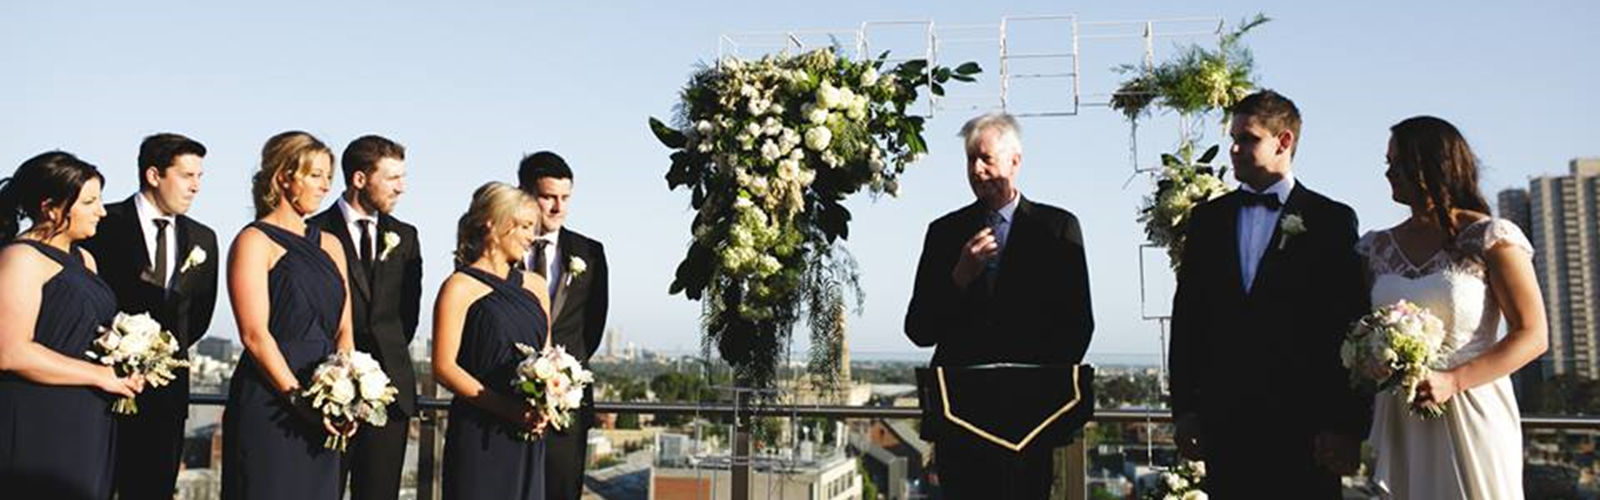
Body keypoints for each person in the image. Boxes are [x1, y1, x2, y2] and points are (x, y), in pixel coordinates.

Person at [1168, 90, 1370, 497]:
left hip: (1307, 431)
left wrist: (1346, 426)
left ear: (1284, 141)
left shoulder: (1330, 220)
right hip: (1225, 426)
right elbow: (1188, 319)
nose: (1234, 149)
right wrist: (1185, 410)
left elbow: (1349, 325)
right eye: (1233, 139)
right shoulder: (1208, 220)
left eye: (1248, 139)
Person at [904, 112, 1094, 498]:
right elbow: (919, 329)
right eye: (970, 160)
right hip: (960, 419)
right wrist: (959, 276)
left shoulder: (1057, 228)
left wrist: (1035, 390)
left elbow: (1078, 326)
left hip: (1031, 421)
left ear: (1015, 161)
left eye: (986, 159)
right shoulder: (944, 233)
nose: (977, 169)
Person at [1360, 116, 1547, 498]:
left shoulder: (1490, 237)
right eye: (1388, 163)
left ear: (1433, 165)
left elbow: (1533, 334)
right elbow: (1361, 326)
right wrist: (1370, 359)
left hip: (1472, 407)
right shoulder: (1375, 248)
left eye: (1398, 163)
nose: (1389, 173)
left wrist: (1454, 381)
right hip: (1401, 414)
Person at [83, 133, 219, 500]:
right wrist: (115, 353)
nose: (196, 186)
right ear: (154, 175)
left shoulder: (204, 239)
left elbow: (198, 315)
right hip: (97, 389)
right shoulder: (102, 224)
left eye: (200, 177)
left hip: (166, 397)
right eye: (187, 175)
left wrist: (155, 357)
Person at [221, 131, 356, 500]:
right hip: (272, 398)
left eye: (329, 176)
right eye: (316, 175)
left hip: (326, 395)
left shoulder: (332, 244)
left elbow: (345, 329)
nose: (326, 186)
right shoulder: (253, 241)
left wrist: (345, 392)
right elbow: (254, 335)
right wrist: (298, 399)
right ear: (284, 177)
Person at [0, 151, 142, 499]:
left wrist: (127, 362)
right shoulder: (21, 258)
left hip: (89, 415)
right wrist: (99, 375)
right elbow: (10, 352)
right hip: (39, 417)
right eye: (90, 202)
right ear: (51, 208)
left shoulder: (86, 259)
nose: (102, 211)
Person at [308, 135, 422, 500]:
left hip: (389, 394)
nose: (401, 188)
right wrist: (338, 376)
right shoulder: (313, 231)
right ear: (359, 179)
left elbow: (407, 316)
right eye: (392, 178)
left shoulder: (406, 236)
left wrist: (377, 371)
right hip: (328, 389)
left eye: (402, 177)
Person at [435, 181, 551, 500]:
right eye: (524, 226)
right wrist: (507, 409)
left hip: (529, 431)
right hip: (479, 432)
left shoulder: (536, 286)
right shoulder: (458, 287)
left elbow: (548, 356)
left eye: (533, 228)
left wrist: (548, 402)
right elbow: (444, 367)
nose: (531, 237)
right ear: (492, 224)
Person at [517, 151, 608, 500]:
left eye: (565, 198)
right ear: (525, 194)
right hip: (507, 402)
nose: (558, 207)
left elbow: (593, 327)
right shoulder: (498, 250)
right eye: (548, 197)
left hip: (566, 407)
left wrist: (562, 374)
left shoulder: (591, 253)